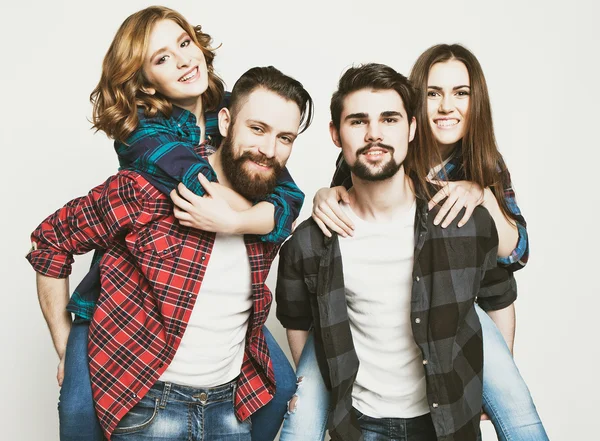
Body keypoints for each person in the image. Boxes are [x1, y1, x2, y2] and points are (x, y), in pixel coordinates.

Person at [35, 6, 303, 441]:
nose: (182, 61)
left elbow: (289, 199)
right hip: (117, 302)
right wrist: (65, 342)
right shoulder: (143, 133)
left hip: (213, 357)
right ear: (143, 80)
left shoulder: (234, 120)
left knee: (283, 387)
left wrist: (237, 221)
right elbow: (199, 182)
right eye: (161, 58)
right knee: (81, 406)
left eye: (184, 44)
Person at [296, 44, 547, 441]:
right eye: (433, 93)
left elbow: (514, 255)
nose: (447, 106)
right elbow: (350, 197)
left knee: (518, 410)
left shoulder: (484, 162)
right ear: (415, 110)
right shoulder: (385, 147)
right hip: (374, 307)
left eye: (461, 93)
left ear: (475, 101)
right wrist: (324, 195)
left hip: (453, 301)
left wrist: (480, 193)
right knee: (303, 409)